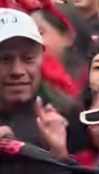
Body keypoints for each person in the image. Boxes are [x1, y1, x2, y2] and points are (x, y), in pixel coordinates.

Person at [0, 8, 70, 159]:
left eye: (28, 58)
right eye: (4, 59)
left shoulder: (64, 118)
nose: (18, 71)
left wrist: (59, 154)